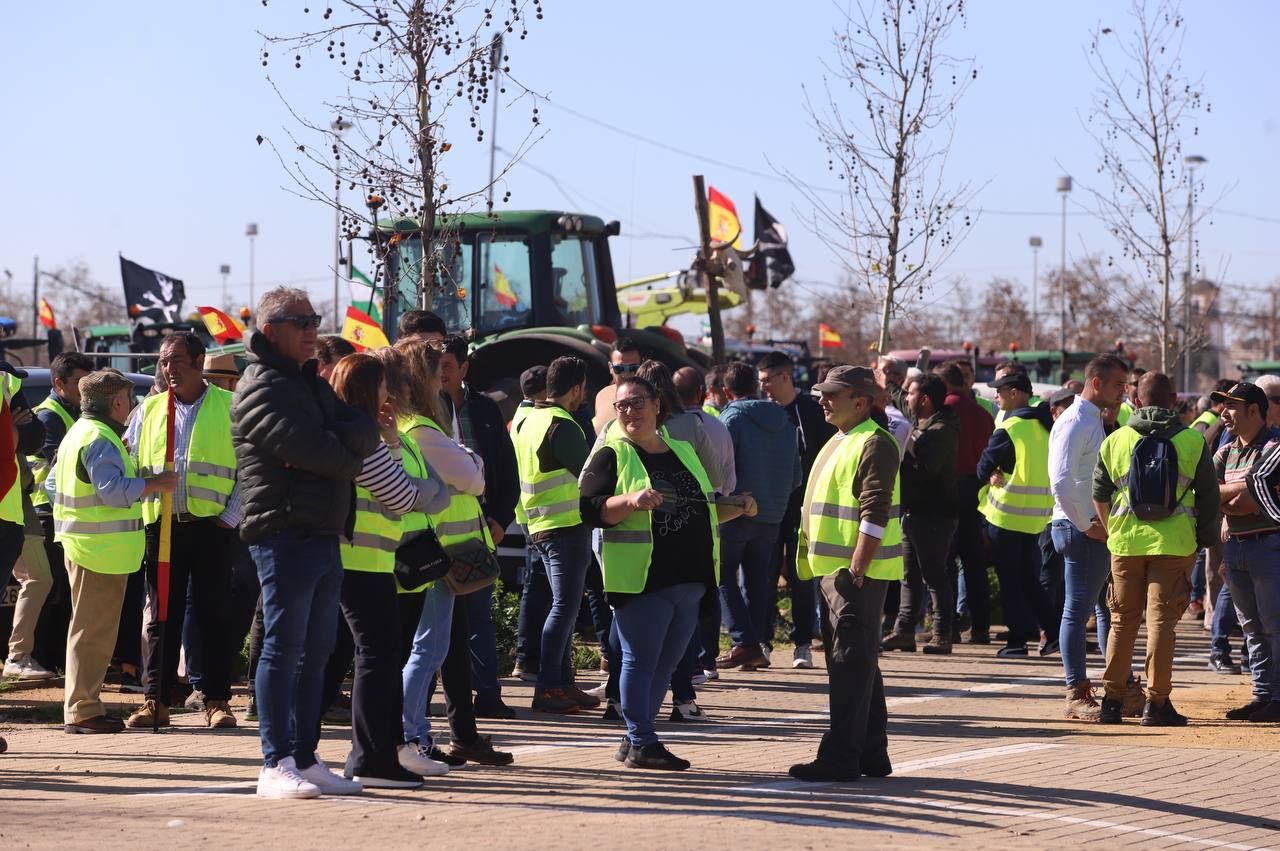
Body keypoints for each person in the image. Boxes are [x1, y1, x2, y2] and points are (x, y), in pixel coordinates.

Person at [233, 287, 381, 799]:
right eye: (302, 321)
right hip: (284, 532)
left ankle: (304, 754)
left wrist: (337, 448)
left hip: (321, 532)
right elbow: (320, 449)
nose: (313, 329)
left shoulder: (309, 382)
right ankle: (274, 762)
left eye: (315, 319)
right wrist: (341, 451)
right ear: (272, 329)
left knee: (316, 652)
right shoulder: (259, 386)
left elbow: (359, 430)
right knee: (283, 647)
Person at [579, 376, 755, 770]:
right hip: (642, 578)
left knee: (669, 662)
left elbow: (702, 505)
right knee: (640, 660)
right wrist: (630, 500)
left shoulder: (682, 449)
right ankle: (642, 740)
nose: (630, 412)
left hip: (689, 578)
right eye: (622, 406)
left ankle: (635, 735)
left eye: (637, 402)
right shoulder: (612, 453)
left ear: (657, 404)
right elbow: (590, 509)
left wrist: (737, 505)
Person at [328, 353, 449, 788]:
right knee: (377, 660)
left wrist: (394, 442)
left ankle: (376, 754)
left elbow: (411, 488)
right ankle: (371, 759)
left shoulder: (356, 433)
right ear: (368, 390)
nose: (390, 394)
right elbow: (402, 494)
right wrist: (425, 487)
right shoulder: (362, 439)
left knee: (376, 659)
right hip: (363, 561)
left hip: (369, 560)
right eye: (383, 386)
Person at [395, 338, 514, 768]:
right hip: (439, 557)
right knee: (427, 650)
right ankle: (410, 737)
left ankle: (412, 736)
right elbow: (474, 476)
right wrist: (469, 460)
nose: (442, 379)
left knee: (430, 649)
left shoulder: (412, 428)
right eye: (435, 372)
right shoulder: (423, 431)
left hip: (437, 555)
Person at [123, 332, 242, 731]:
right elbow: (132, 464)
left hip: (213, 527)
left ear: (199, 360)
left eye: (175, 360)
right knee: (161, 615)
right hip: (163, 527)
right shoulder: (149, 410)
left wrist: (231, 516)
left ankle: (216, 701)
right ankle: (155, 700)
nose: (168, 369)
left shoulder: (230, 407)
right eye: (163, 361)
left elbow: (250, 469)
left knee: (214, 615)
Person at [790, 366, 903, 783]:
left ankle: (841, 756)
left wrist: (857, 567)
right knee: (859, 663)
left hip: (854, 574)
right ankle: (871, 753)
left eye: (831, 395)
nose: (822, 400)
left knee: (849, 663)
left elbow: (875, 510)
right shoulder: (842, 438)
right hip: (835, 571)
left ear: (860, 401)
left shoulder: (874, 442)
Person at [1092, 372, 1218, 726]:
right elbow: (1209, 499)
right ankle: (1157, 703)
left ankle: (1112, 702)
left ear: (1136, 399)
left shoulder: (1116, 440)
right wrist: (1204, 541)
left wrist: (1110, 530)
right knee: (1161, 624)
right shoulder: (1193, 441)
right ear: (1174, 399)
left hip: (1125, 544)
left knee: (1121, 622)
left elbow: (1099, 493)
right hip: (1174, 544)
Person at [55, 370, 177, 734]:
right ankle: (83, 711)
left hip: (88, 548)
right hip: (99, 553)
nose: (134, 404)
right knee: (93, 633)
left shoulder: (81, 433)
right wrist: (154, 483)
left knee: (88, 631)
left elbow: (52, 482)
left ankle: (82, 706)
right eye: (130, 397)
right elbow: (110, 490)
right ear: (118, 402)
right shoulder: (100, 438)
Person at [438, 335, 520, 719]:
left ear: (464, 368)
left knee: (477, 616)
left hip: (478, 531)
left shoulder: (485, 409)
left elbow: (507, 470)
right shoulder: (421, 410)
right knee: (435, 622)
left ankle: (488, 693)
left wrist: (501, 521)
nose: (440, 374)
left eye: (448, 366)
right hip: (433, 534)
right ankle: (425, 700)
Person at [514, 355, 596, 713]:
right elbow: (592, 477)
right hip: (565, 527)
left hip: (538, 526)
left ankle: (562, 683)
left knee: (558, 606)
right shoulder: (563, 424)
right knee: (564, 608)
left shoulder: (529, 420)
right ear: (577, 388)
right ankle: (549, 687)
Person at [1048, 355, 1128, 721]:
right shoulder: (1076, 421)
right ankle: (1076, 691)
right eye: (1117, 386)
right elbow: (1062, 480)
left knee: (1104, 608)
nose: (1122, 393)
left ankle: (1119, 687)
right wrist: (1086, 524)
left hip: (1089, 527)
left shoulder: (1093, 419)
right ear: (1095, 383)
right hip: (1078, 528)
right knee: (1077, 611)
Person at [716, 362, 801, 671]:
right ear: (756, 385)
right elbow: (795, 474)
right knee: (758, 581)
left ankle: (744, 642)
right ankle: (757, 644)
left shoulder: (731, 419)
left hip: (737, 510)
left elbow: (721, 468)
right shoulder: (784, 418)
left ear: (726, 391)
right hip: (773, 512)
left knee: (722, 575)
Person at [1211, 382, 1280, 724]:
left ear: (1254, 410)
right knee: (1251, 628)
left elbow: (1249, 500)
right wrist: (1235, 493)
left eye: (1232, 407)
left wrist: (1228, 499)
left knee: (1274, 626)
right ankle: (1261, 694)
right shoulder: (1226, 452)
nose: (1224, 413)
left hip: (1268, 547)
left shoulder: (1274, 446)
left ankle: (1277, 697)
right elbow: (1207, 494)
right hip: (1236, 549)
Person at [978, 370, 1059, 657]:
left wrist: (991, 474)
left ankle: (1016, 642)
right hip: (1037, 517)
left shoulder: (1010, 428)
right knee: (1030, 580)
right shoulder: (1047, 426)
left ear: (1015, 393)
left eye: (999, 391)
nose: (996, 397)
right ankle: (1051, 635)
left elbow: (982, 468)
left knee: (1011, 582)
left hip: (1006, 516)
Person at [758, 351, 832, 668]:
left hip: (804, 508)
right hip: (770, 507)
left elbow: (827, 456)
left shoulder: (811, 412)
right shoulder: (760, 413)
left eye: (767, 381)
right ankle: (762, 642)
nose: (764, 389)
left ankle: (802, 643)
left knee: (802, 576)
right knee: (765, 574)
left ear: (784, 377)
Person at [883, 373, 958, 654]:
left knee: (934, 575)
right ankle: (903, 631)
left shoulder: (940, 431)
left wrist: (907, 445)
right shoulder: (923, 421)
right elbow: (902, 402)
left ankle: (942, 633)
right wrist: (886, 381)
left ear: (924, 399)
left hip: (935, 515)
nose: (906, 397)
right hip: (914, 512)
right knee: (909, 575)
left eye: (911, 393)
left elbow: (926, 466)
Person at [935, 361, 995, 644]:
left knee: (944, 563)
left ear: (944, 384)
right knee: (974, 564)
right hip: (975, 491)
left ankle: (948, 627)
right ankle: (981, 627)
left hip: (947, 489)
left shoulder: (942, 412)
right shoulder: (983, 414)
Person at [512, 365, 550, 682]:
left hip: (528, 512)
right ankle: (528, 657)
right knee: (538, 587)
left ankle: (527, 657)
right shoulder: (532, 420)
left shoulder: (518, 418)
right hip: (538, 514)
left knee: (535, 586)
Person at [593, 337, 643, 433]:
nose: (626, 374)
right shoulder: (602, 396)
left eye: (633, 368)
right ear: (610, 368)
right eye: (619, 369)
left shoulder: (650, 400)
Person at [876, 356, 909, 421]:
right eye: (876, 371)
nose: (877, 374)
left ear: (900, 378)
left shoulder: (907, 410)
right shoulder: (868, 404)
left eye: (883, 371)